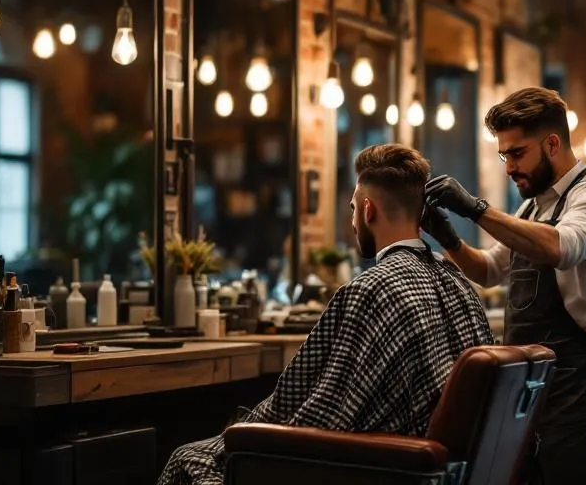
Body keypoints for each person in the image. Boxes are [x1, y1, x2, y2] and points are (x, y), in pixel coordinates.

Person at [158, 143, 495, 485]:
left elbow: (324, 414)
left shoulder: (371, 289)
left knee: (188, 458)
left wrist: (244, 433)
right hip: (436, 468)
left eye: (352, 210)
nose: (351, 221)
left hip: (375, 466)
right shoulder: (457, 280)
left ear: (368, 210)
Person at [421, 86, 586, 485]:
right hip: (528, 378)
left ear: (552, 143)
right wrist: (449, 239)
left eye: (517, 154)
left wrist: (477, 209)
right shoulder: (533, 206)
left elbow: (561, 247)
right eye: (505, 155)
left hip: (575, 378)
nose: (509, 167)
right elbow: (489, 270)